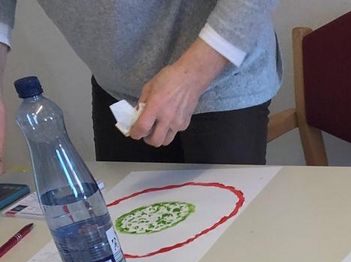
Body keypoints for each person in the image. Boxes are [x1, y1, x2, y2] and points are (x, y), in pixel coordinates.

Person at [0, 1, 280, 169]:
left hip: (219, 78)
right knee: (132, 233)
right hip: (118, 90)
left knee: (227, 234)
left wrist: (191, 77)